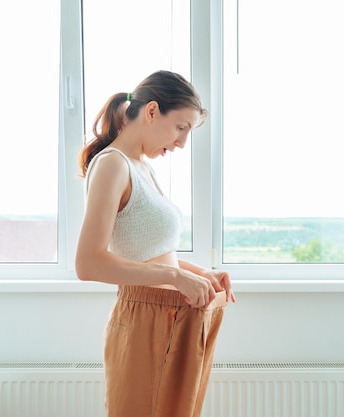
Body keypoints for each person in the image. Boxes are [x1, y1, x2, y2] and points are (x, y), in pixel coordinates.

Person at [75, 70, 235, 417]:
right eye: (181, 127)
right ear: (151, 111)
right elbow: (88, 263)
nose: (181, 143)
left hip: (172, 314)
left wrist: (199, 273)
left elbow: (149, 253)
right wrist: (176, 278)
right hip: (144, 319)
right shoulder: (112, 166)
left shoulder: (142, 167)